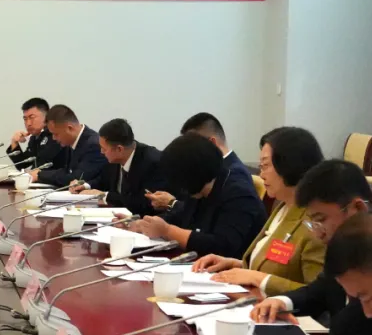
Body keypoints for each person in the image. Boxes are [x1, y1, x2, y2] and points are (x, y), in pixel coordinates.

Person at [250, 160, 372, 335]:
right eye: (312, 223)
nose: (318, 234)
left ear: (357, 208)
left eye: (321, 220)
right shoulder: (345, 247)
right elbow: (320, 290)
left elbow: (351, 332)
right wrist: (282, 301)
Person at [193, 127, 326, 296]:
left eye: (266, 166)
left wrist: (258, 278)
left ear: (289, 165)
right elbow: (273, 265)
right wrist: (235, 264)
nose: (261, 175)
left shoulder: (317, 222)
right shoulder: (283, 207)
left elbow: (318, 294)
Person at [131, 132, 266, 259]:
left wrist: (167, 231)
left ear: (191, 174)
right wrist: (145, 224)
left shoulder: (238, 193)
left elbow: (223, 246)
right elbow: (181, 216)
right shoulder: (201, 190)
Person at [147, 112, 250, 214]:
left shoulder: (234, 176)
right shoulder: (205, 172)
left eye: (192, 143)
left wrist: (172, 203)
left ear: (211, 143)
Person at [70, 119, 167, 216]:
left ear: (119, 149)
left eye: (104, 149)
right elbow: (104, 179)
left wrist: (105, 196)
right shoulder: (115, 158)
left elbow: (143, 203)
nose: (101, 152)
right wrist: (86, 185)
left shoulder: (152, 163)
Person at [28, 104, 105, 188]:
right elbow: (66, 171)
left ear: (70, 128)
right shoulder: (71, 141)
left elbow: (77, 178)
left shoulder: (93, 145)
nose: (53, 138)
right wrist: (39, 173)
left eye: (56, 134)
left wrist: (40, 175)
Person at [6, 98, 64, 171]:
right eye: (25, 119)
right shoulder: (35, 137)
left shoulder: (55, 135)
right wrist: (14, 142)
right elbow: (22, 165)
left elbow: (42, 166)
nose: (28, 123)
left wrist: (29, 174)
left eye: (32, 117)